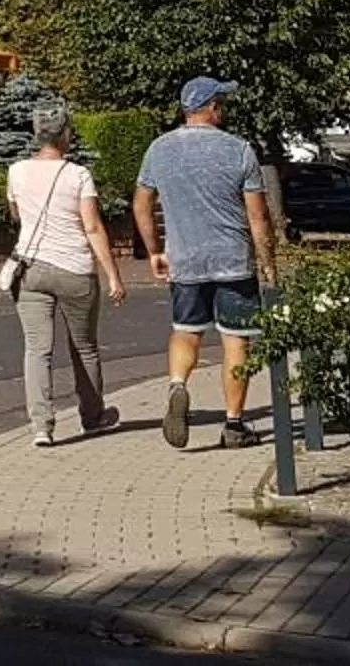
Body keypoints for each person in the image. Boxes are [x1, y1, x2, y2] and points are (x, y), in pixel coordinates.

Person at [132, 77, 279, 450]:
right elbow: (259, 217)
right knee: (236, 342)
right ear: (212, 107)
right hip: (232, 261)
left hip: (185, 259)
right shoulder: (239, 150)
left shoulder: (158, 150)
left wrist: (155, 251)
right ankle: (233, 424)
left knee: (186, 332)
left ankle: (178, 384)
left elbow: (141, 204)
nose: (223, 110)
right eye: (221, 104)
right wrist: (268, 263)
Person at [7, 105, 127, 445]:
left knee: (37, 349)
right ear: (64, 135)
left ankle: (41, 427)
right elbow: (91, 226)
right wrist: (113, 275)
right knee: (84, 347)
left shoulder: (16, 171)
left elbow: (16, 214)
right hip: (74, 269)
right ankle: (92, 417)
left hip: (29, 269)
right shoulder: (78, 175)